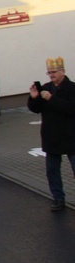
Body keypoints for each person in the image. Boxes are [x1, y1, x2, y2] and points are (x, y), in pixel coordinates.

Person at [27, 57, 75, 211]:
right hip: (51, 136)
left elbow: (71, 109)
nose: (51, 75)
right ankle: (58, 198)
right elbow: (36, 109)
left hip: (70, 136)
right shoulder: (46, 87)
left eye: (54, 72)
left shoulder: (72, 88)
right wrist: (33, 97)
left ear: (63, 71)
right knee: (52, 171)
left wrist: (51, 99)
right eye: (49, 72)